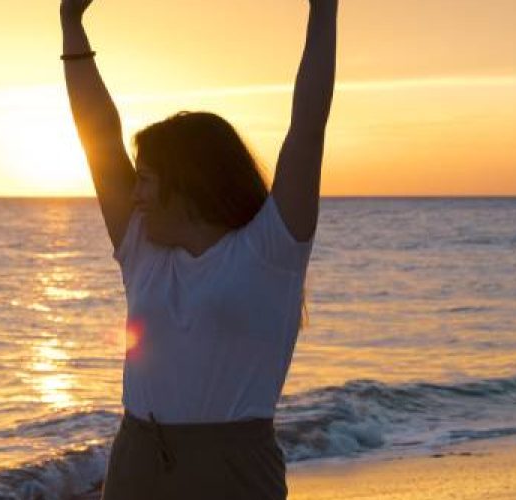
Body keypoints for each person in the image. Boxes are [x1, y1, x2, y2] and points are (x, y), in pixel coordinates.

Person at [60, 0, 337, 498]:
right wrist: (71, 27)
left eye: (146, 180)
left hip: (231, 470)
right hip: (138, 461)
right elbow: (98, 136)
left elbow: (308, 124)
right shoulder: (143, 248)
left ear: (186, 185)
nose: (135, 194)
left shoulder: (270, 249)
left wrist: (323, 10)